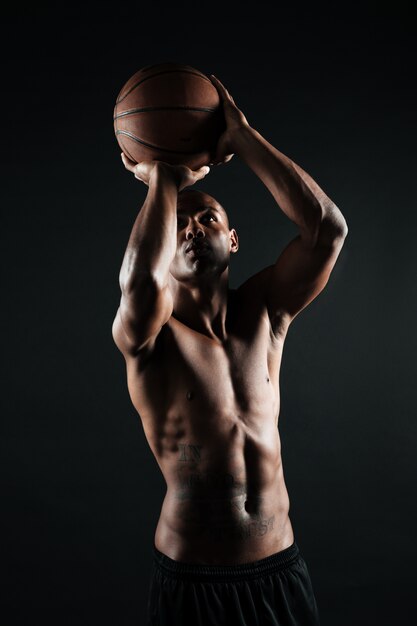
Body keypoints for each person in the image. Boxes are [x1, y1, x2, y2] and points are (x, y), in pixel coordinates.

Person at [112, 73, 348, 625]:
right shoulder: (148, 337)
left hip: (278, 570)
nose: (192, 229)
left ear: (233, 239)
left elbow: (327, 232)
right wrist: (162, 181)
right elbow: (141, 284)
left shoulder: (267, 311)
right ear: (163, 243)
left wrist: (240, 136)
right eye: (180, 224)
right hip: (192, 582)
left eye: (208, 218)